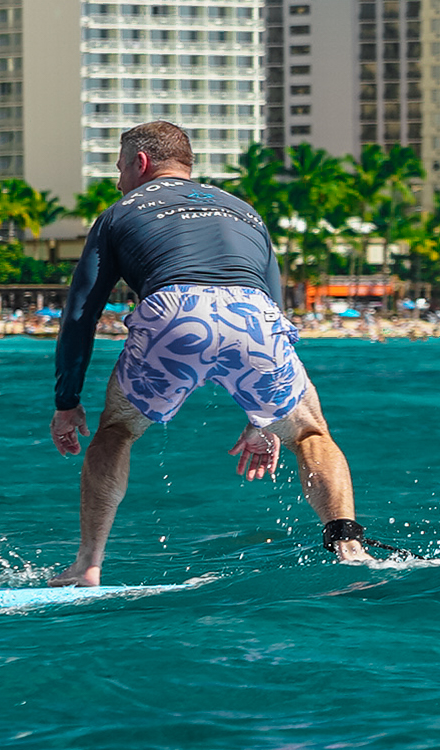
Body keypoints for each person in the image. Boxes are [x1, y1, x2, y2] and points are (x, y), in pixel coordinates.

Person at [48, 121, 372, 583]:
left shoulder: (121, 211)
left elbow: (81, 310)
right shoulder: (244, 209)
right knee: (307, 432)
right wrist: (263, 416)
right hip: (253, 316)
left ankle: (87, 565)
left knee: (117, 431)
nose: (119, 180)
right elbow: (274, 312)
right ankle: (348, 543)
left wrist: (66, 401)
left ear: (140, 163)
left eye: (120, 168)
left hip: (175, 312)